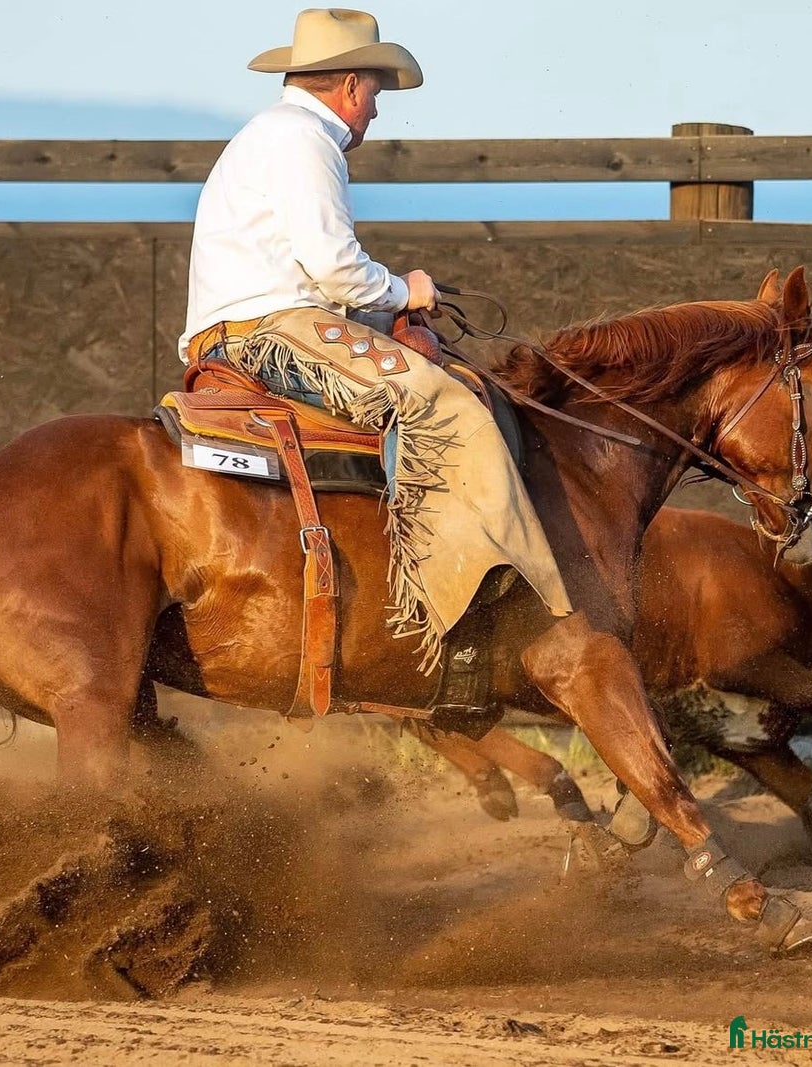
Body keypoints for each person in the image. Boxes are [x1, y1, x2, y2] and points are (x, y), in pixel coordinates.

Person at [179, 8, 571, 718]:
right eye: (379, 96)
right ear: (352, 86)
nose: (377, 114)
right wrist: (404, 291)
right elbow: (333, 267)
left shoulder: (272, 135)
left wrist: (376, 304)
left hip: (246, 324)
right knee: (443, 403)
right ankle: (444, 596)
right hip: (269, 329)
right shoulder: (305, 140)